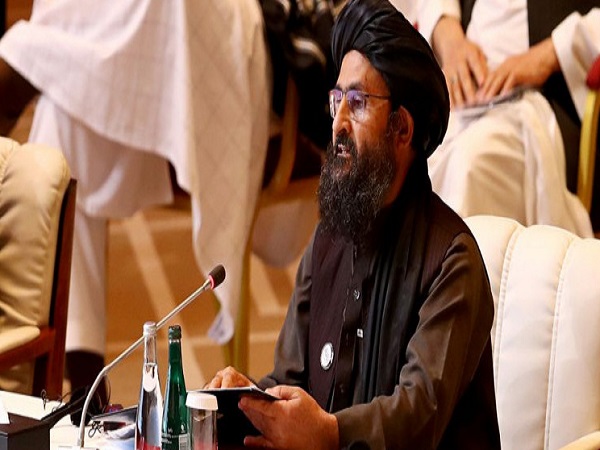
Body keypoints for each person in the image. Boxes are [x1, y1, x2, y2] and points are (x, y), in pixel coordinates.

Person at [207, 0, 501, 448]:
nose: (338, 124)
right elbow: (290, 381)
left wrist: (330, 434)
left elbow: (418, 416)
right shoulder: (329, 239)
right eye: (336, 100)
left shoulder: (451, 262)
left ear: (402, 129)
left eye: (358, 103)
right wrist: (245, 400)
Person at [0, 0, 270, 396]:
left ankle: (27, 63)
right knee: (61, 133)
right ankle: (88, 390)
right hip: (134, 78)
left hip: (196, 58)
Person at [414, 0, 599, 235]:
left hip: (545, 99)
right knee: (404, 161)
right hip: (459, 94)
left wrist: (549, 54)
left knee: (469, 164)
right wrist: (448, 34)